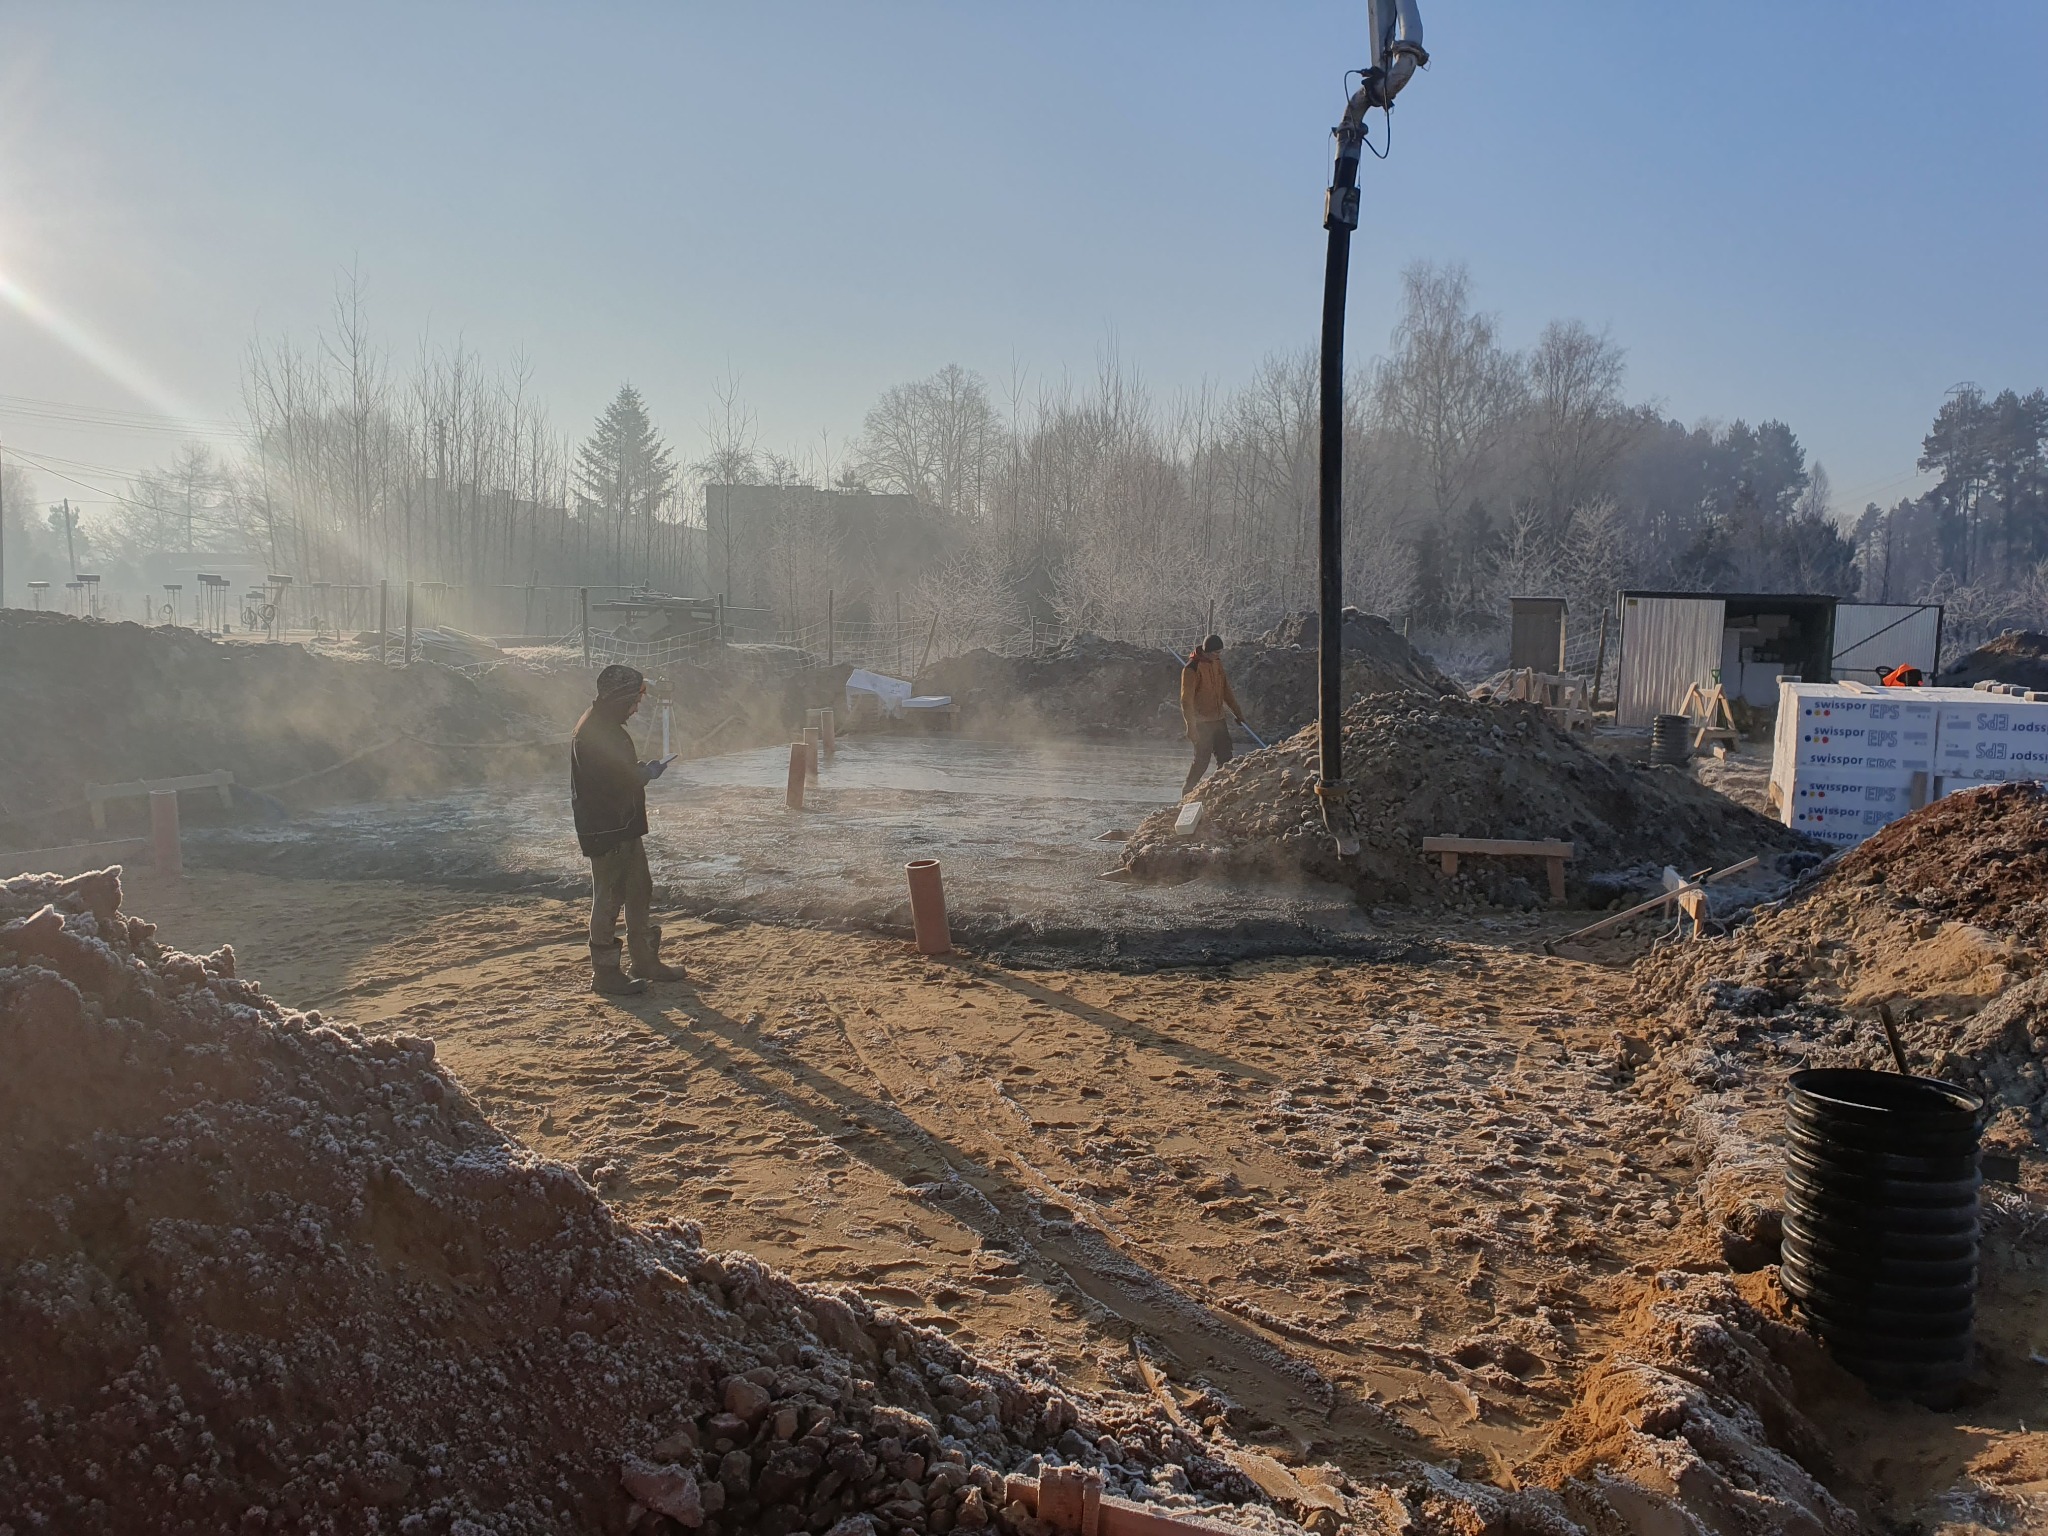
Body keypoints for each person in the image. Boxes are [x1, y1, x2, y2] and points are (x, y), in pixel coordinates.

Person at [571, 663, 685, 994]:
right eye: (634, 700)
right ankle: (605, 973)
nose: (636, 708)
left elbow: (614, 772)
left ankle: (644, 960)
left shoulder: (604, 725)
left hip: (621, 824)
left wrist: (639, 771)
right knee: (609, 896)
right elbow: (614, 780)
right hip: (606, 828)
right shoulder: (597, 731)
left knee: (639, 889)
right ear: (619, 698)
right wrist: (644, 773)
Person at [1180, 634, 1246, 796]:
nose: (1218, 656)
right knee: (1202, 760)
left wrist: (1237, 711)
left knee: (1226, 758)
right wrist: (1191, 727)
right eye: (1215, 653)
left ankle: (1222, 792)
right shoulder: (1191, 668)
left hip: (1218, 719)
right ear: (1206, 651)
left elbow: (1225, 689)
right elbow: (1185, 701)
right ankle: (1187, 792)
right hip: (1201, 722)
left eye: (1219, 653)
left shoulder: (1217, 663)